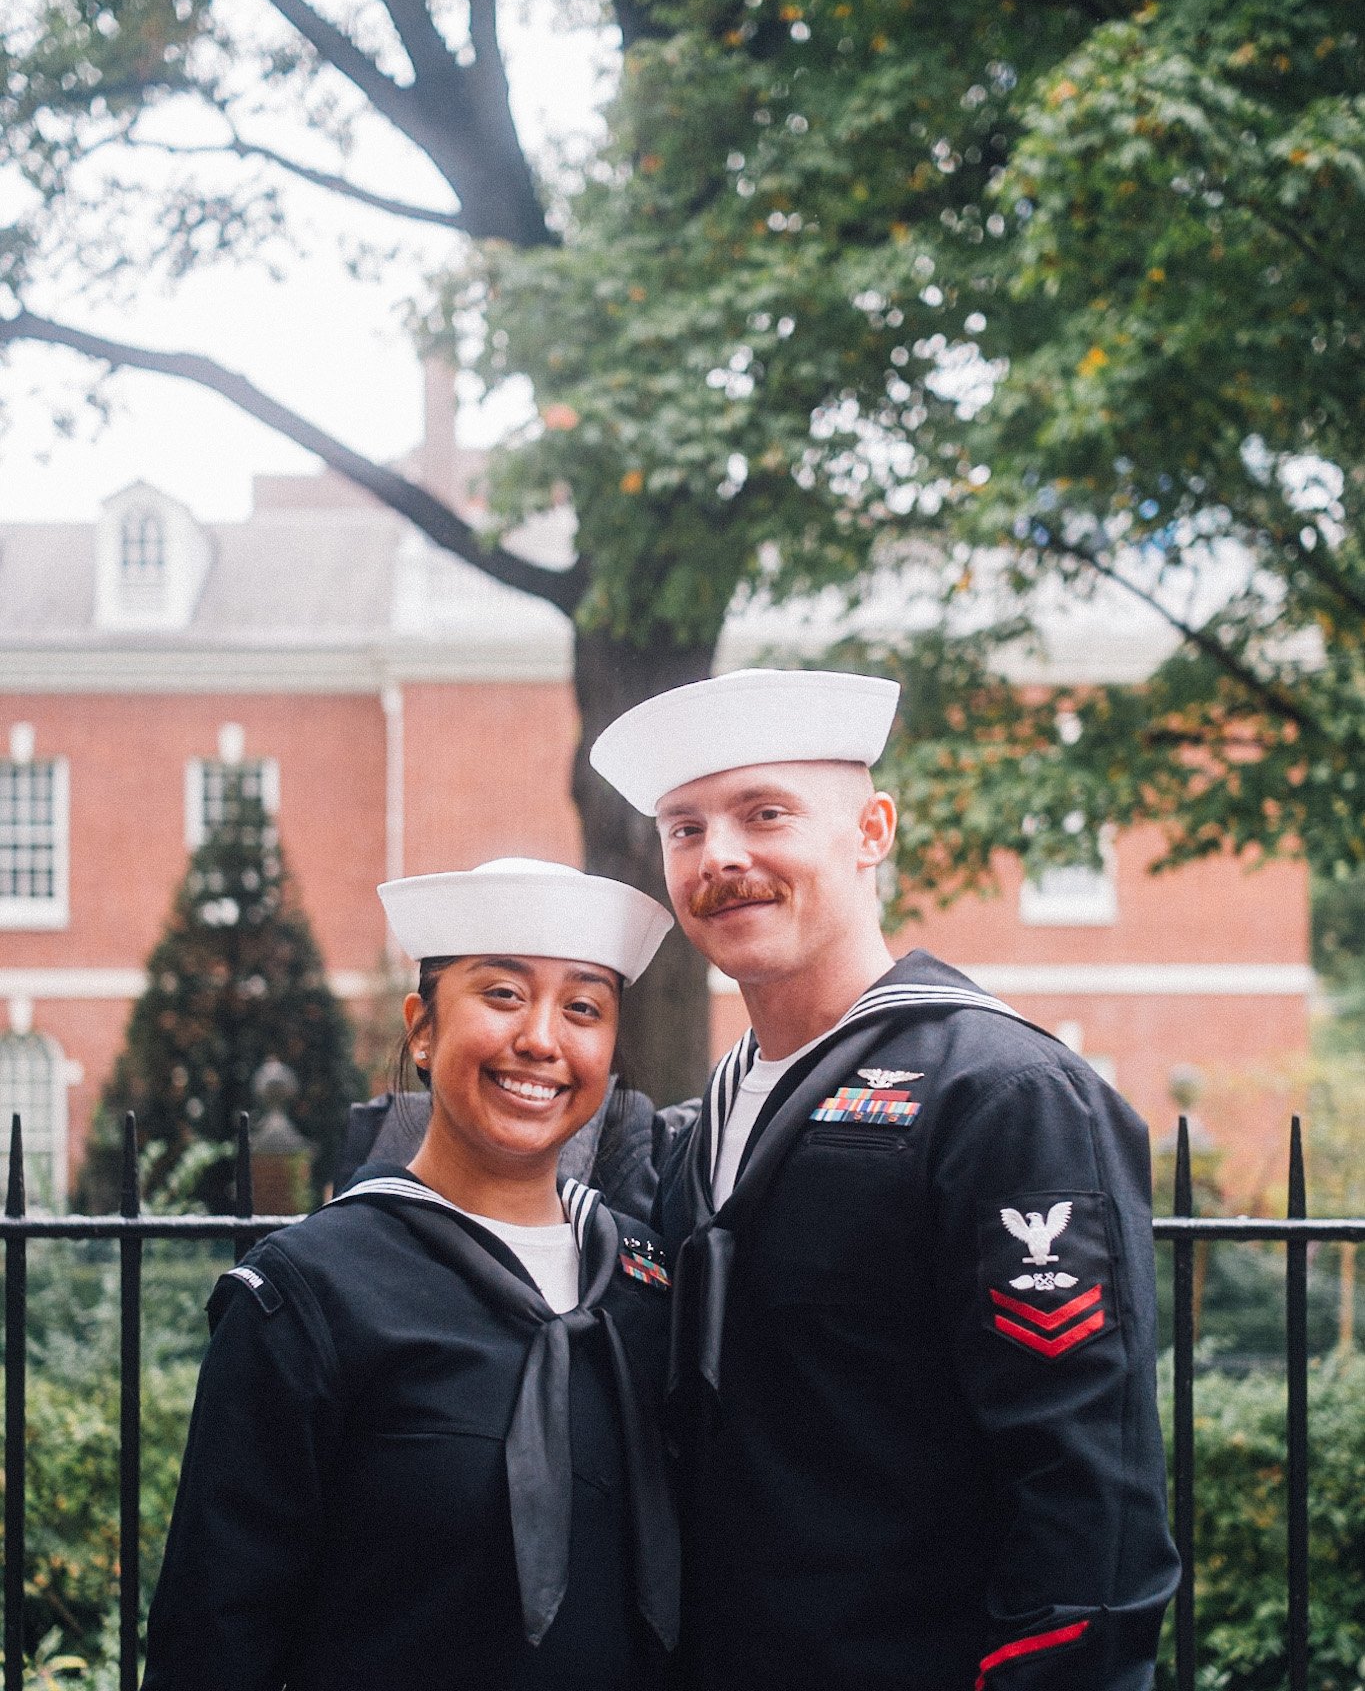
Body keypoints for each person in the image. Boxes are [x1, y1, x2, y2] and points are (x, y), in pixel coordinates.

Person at [590, 669, 1180, 1691]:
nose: (720, 854)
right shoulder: (707, 1122)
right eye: (684, 828)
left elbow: (1092, 1508)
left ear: (872, 829)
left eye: (764, 812)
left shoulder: (999, 1093)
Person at [142, 857, 680, 1691]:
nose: (541, 1037)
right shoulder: (313, 1292)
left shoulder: (646, 1284)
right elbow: (215, 1635)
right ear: (421, 1029)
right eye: (501, 994)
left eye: (582, 1008)